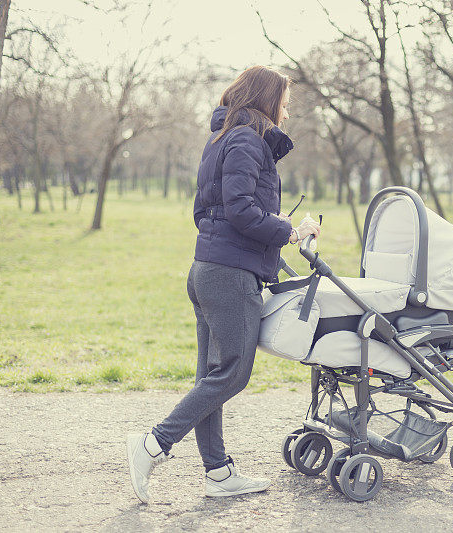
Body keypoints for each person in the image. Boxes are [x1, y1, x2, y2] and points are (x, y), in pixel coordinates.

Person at [126, 66, 321, 502]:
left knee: (211, 377)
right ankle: (153, 444)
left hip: (208, 269)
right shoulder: (247, 140)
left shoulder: (220, 140)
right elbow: (239, 209)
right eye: (285, 102)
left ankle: (218, 472)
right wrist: (285, 231)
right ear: (267, 99)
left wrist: (277, 226)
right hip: (229, 277)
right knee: (232, 373)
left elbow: (207, 212)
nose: (287, 112)